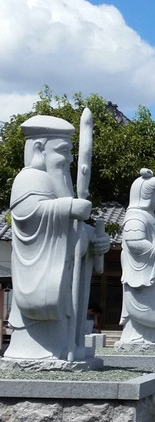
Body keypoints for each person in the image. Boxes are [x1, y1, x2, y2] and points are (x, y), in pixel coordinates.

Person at [5, 115, 110, 363]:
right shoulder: (30, 178)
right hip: (39, 273)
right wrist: (68, 207)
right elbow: (28, 214)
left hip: (63, 277)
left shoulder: (59, 184)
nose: (71, 159)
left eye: (72, 152)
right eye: (63, 151)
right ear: (39, 148)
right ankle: (43, 352)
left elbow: (70, 233)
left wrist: (92, 241)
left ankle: (67, 346)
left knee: (64, 319)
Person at [118, 169, 155, 345]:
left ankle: (153, 333)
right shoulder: (135, 216)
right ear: (146, 195)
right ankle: (137, 336)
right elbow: (135, 243)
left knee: (153, 302)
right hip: (141, 272)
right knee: (143, 304)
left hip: (152, 270)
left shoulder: (150, 216)